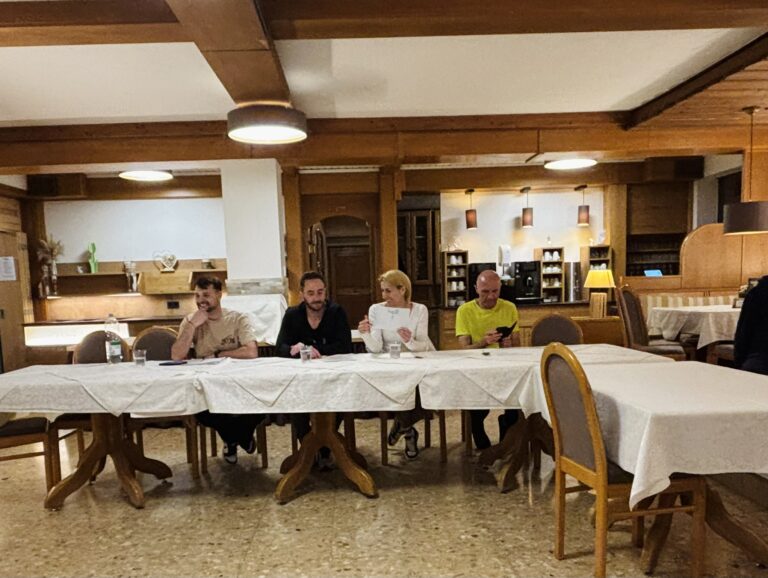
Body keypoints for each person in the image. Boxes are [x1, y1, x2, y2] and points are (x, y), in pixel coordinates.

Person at [171, 276, 263, 464]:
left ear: (219, 295)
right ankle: (241, 437)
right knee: (203, 410)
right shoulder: (190, 321)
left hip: (238, 382)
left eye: (206, 295)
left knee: (262, 402)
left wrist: (219, 354)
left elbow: (251, 351)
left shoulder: (237, 318)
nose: (200, 300)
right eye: (197, 296)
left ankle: (233, 438)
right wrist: (192, 325)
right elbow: (177, 356)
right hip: (207, 385)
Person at [275, 271, 352, 468]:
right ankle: (308, 446)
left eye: (320, 292)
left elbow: (345, 346)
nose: (316, 298)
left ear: (325, 291)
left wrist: (313, 349)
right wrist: (295, 350)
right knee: (295, 402)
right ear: (302, 294)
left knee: (342, 399)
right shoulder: (292, 314)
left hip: (332, 377)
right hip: (301, 379)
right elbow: (280, 347)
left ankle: (326, 447)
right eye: (311, 293)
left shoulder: (337, 312)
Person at [358, 269, 434, 459]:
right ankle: (407, 429)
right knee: (397, 386)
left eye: (388, 291)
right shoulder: (376, 309)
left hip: (416, 360)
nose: (384, 296)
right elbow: (376, 348)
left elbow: (423, 345)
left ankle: (403, 426)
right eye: (383, 291)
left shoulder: (419, 310)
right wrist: (365, 334)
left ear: (402, 289)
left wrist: (409, 341)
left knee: (425, 388)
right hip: (390, 363)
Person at [455, 269, 521, 450]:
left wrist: (509, 344)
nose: (491, 296)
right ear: (476, 289)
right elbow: (464, 350)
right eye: (485, 292)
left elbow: (518, 347)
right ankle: (478, 430)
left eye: (495, 291)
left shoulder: (509, 307)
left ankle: (506, 433)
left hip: (505, 366)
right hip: (476, 368)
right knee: (478, 407)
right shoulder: (464, 311)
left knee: (516, 401)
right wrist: (484, 342)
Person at [734, 275, 768, 375]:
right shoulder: (759, 291)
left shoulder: (759, 291)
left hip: (759, 360)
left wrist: (739, 362)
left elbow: (743, 333)